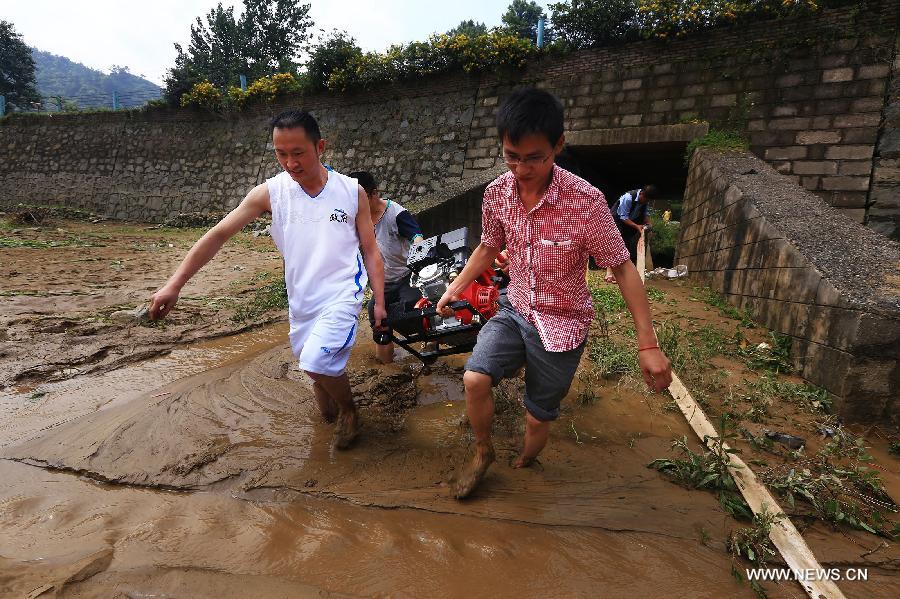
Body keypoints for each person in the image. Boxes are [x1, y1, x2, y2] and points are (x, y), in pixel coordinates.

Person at [436, 88, 672, 499]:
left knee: (537, 419)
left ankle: (526, 461)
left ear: (558, 146)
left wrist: (647, 345)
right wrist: (454, 287)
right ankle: (482, 450)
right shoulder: (497, 193)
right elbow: (490, 247)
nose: (521, 168)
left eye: (534, 157)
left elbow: (622, 267)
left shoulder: (587, 203)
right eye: (511, 156)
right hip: (517, 307)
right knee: (474, 378)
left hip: (564, 325)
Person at [148, 110, 386, 450]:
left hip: (341, 293)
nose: (290, 163)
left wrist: (379, 302)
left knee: (317, 362)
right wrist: (175, 284)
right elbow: (219, 234)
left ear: (320, 147)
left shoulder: (351, 192)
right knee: (319, 390)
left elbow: (371, 250)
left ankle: (351, 412)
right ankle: (333, 421)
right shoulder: (271, 193)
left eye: (298, 152)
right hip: (301, 300)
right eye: (281, 153)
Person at [349, 170, 424, 364]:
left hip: (407, 276)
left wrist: (418, 247)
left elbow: (417, 236)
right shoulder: (357, 219)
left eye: (362, 200)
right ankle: (385, 366)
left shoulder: (395, 213)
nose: (358, 207)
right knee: (377, 316)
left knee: (409, 309)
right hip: (383, 282)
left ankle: (427, 344)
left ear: (374, 193)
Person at [604, 185, 658, 283]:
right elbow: (623, 217)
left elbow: (645, 215)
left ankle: (619, 274)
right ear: (641, 193)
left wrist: (649, 224)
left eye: (647, 201)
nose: (645, 202)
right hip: (617, 220)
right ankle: (609, 273)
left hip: (629, 223)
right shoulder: (628, 197)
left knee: (625, 247)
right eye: (645, 199)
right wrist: (637, 226)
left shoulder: (645, 201)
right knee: (615, 246)